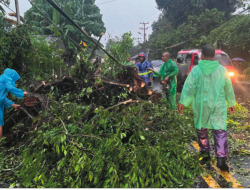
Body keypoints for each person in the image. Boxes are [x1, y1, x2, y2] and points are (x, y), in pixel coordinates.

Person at [178, 45, 235, 172]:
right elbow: (228, 87)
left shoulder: (196, 70)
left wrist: (183, 102)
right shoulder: (222, 70)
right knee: (220, 130)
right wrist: (231, 102)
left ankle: (205, 154)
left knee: (202, 129)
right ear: (213, 55)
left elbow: (189, 87)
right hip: (218, 104)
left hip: (201, 105)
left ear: (202, 55)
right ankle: (221, 158)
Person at [0, 68, 28, 139]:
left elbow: (2, 98)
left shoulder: (2, 79)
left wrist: (14, 105)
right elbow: (11, 88)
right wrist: (22, 93)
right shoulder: (6, 78)